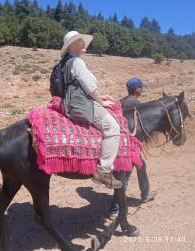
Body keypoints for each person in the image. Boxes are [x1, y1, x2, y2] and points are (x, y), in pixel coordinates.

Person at [60, 30, 122, 189]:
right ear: (71, 46)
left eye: (82, 41)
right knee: (113, 127)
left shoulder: (64, 62)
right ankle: (104, 170)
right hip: (80, 104)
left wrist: (101, 97)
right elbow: (89, 87)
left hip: (69, 102)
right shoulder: (77, 62)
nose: (83, 43)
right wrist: (101, 102)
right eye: (79, 41)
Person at [109, 78, 156, 215]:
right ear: (137, 89)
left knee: (141, 166)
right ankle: (114, 208)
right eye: (141, 87)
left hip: (122, 143)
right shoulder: (136, 104)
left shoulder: (122, 101)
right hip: (129, 146)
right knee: (125, 176)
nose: (142, 89)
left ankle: (145, 194)